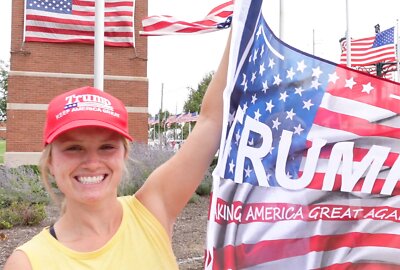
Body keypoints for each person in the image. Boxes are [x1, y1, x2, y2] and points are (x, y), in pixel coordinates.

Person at [4, 34, 230, 270]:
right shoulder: (28, 263)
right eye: (73, 148)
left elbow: (211, 120)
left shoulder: (152, 210)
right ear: (50, 162)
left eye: (107, 146)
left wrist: (244, 16)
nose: (92, 162)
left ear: (123, 154)